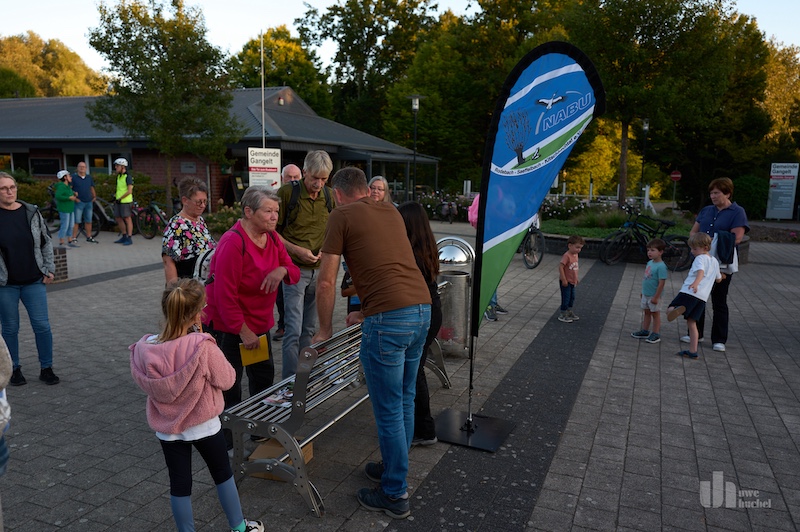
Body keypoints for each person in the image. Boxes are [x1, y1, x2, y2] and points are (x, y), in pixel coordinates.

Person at [314, 167, 431, 520]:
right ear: (366, 189)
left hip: (388, 321)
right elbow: (387, 264)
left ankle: (394, 492)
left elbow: (326, 281)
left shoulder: (341, 215)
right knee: (405, 398)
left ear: (338, 193)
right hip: (421, 309)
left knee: (389, 408)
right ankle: (393, 469)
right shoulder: (390, 211)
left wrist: (323, 331)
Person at [130, 279, 264, 532]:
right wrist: (203, 337)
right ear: (195, 314)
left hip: (168, 428)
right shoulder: (202, 346)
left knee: (179, 484)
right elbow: (227, 380)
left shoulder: (144, 348)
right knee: (222, 474)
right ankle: (239, 528)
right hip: (204, 424)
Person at [202, 186, 300, 447]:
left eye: (276, 211)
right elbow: (224, 296)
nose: (274, 216)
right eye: (268, 211)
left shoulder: (272, 237)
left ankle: (259, 430)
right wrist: (243, 331)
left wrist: (281, 270)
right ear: (248, 211)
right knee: (229, 384)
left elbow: (293, 271)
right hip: (230, 327)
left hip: (258, 325)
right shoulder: (233, 242)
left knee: (262, 380)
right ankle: (226, 443)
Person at [276, 150, 335, 379]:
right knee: (292, 328)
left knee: (309, 329)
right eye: (314, 178)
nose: (318, 184)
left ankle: (304, 377)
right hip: (294, 270)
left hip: (319, 272)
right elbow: (272, 232)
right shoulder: (287, 193)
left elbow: (334, 229)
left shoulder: (329, 196)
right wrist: (296, 250)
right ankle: (289, 382)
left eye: (324, 179)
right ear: (305, 172)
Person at [0, 172, 59, 386]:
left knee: (42, 326)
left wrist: (49, 269)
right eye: (4, 188)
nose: (9, 191)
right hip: (5, 285)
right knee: (10, 329)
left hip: (34, 280)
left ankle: (47, 368)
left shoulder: (31, 212)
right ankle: (13, 369)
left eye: (12, 187)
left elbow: (45, 242)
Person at [684, 177, 749, 352]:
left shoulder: (737, 212)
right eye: (711, 193)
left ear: (727, 193)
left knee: (719, 300)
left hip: (721, 263)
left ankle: (719, 339)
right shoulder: (706, 210)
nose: (712, 196)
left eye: (716, 193)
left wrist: (710, 242)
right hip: (701, 262)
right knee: (697, 297)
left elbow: (736, 238)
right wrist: (697, 244)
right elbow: (693, 232)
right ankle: (696, 333)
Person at [397, 201, 441, 447]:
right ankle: (421, 427)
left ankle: (424, 429)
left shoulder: (410, 254)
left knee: (414, 372)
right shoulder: (426, 246)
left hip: (423, 312)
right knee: (416, 370)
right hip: (432, 310)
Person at [667, 232, 723, 359]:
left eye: (695, 249)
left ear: (705, 248)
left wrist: (696, 283)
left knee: (669, 309)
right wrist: (721, 277)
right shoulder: (714, 261)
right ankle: (693, 351)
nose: (692, 251)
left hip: (689, 292)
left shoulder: (700, 258)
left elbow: (700, 272)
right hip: (702, 298)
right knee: (692, 323)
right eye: (691, 248)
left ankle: (677, 309)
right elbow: (718, 279)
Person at [161, 177, 216, 283]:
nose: (203, 206)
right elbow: (169, 263)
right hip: (188, 287)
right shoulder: (176, 225)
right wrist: (175, 291)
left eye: (205, 201)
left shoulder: (200, 220)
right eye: (198, 202)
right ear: (185, 200)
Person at [467, 193, 508, 321]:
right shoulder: (491, 192)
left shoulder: (498, 192)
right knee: (490, 271)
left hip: (495, 236)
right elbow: (489, 214)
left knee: (494, 271)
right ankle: (488, 304)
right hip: (489, 237)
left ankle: (492, 302)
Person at [273, 164, 303, 341]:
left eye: (295, 177)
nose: (292, 181)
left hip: (301, 257)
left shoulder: (303, 198)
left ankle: (298, 327)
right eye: (288, 177)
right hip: (279, 253)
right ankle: (283, 325)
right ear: (282, 178)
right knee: (280, 294)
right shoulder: (277, 197)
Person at [630, 238, 668, 344]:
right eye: (648, 250)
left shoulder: (661, 267)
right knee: (646, 312)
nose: (649, 253)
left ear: (660, 252)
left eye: (652, 250)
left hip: (654, 295)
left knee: (655, 314)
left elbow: (661, 283)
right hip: (646, 293)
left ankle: (656, 333)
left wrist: (656, 297)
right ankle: (645, 330)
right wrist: (643, 292)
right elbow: (646, 279)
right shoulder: (650, 263)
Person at [558, 235, 585, 323]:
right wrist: (563, 279)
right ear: (570, 245)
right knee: (566, 297)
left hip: (572, 281)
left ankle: (569, 311)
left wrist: (576, 278)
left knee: (572, 297)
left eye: (580, 248)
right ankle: (563, 313)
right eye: (577, 247)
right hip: (566, 281)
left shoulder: (575, 255)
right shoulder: (567, 256)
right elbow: (561, 267)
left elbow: (574, 268)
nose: (579, 250)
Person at [71, 161, 99, 244]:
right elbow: (70, 189)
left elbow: (91, 187)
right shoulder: (73, 177)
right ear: (77, 168)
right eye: (80, 166)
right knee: (76, 221)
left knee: (88, 220)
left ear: (86, 168)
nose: (82, 168)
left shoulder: (89, 177)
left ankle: (89, 237)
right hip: (79, 202)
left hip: (88, 202)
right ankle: (74, 237)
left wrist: (94, 196)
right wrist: (75, 198)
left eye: (83, 167)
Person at [54, 170, 80, 248]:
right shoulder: (61, 186)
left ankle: (69, 240)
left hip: (70, 208)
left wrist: (74, 194)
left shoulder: (67, 186)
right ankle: (61, 242)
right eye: (69, 176)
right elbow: (58, 196)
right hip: (64, 209)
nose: (71, 177)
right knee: (65, 225)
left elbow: (68, 194)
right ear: (65, 177)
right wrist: (69, 198)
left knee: (71, 225)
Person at [112, 157, 134, 245]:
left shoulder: (128, 177)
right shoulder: (119, 177)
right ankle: (124, 236)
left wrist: (120, 198)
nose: (115, 167)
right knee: (118, 218)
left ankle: (129, 237)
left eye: (117, 166)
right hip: (119, 201)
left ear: (123, 167)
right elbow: (120, 189)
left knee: (127, 218)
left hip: (126, 201)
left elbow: (129, 191)